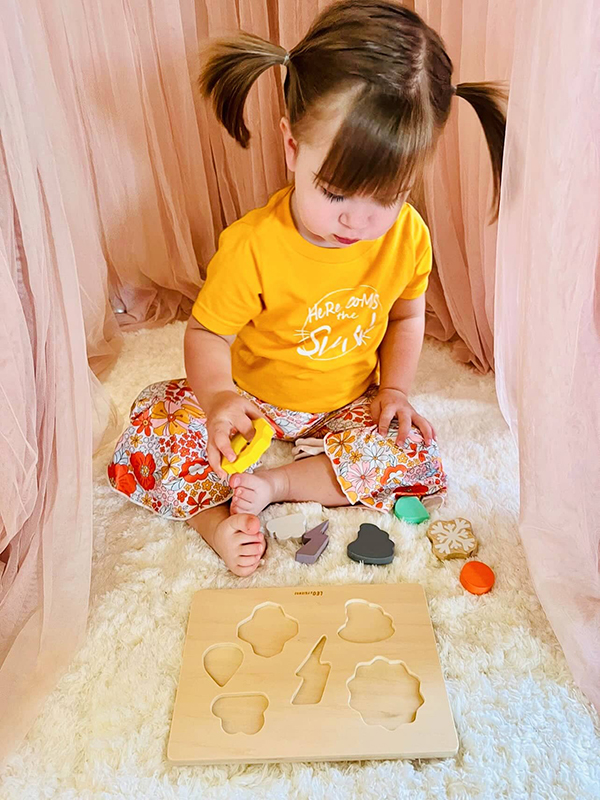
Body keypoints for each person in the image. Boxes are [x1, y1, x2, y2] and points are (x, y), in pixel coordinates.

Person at [108, 0, 506, 576]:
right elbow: (207, 332)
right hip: (255, 396)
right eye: (337, 194)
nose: (357, 223)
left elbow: (406, 317)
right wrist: (219, 398)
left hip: (347, 401)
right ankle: (213, 519)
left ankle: (277, 484)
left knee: (414, 455)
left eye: (386, 199)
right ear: (293, 148)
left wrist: (393, 391)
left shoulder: (408, 237)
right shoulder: (254, 246)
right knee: (150, 426)